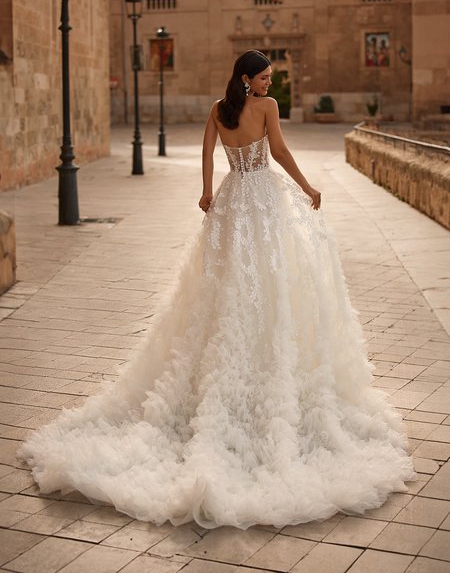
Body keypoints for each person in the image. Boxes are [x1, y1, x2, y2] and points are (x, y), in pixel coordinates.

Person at [19, 50, 416, 530]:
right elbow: (282, 154)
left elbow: (208, 153)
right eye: (266, 77)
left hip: (232, 199)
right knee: (267, 278)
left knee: (227, 283)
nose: (271, 83)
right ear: (247, 79)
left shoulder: (217, 109)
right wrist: (309, 188)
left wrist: (208, 194)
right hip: (263, 199)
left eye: (272, 77)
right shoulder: (266, 110)